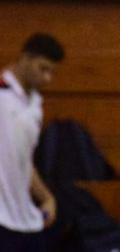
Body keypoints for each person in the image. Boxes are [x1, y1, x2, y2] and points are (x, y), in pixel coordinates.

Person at [0, 33, 64, 252]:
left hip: (25, 221)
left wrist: (46, 197)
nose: (47, 78)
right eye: (42, 68)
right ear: (25, 58)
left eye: (52, 72)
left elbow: (23, 162)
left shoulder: (35, 106)